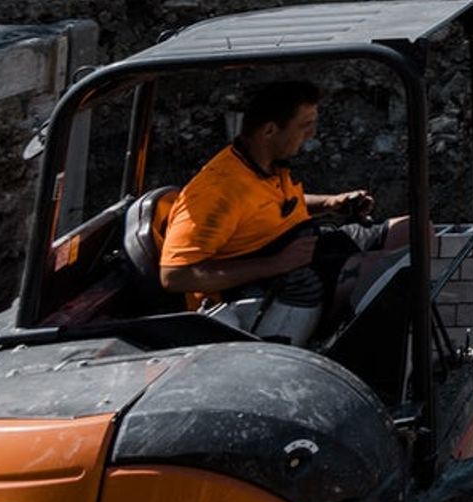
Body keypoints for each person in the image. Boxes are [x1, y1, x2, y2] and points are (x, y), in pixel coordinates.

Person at [159, 79, 407, 342]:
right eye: (305, 126)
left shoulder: (268, 165)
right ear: (269, 131)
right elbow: (175, 276)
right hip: (269, 282)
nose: (312, 134)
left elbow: (271, 207)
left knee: (409, 232)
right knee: (380, 272)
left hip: (305, 246)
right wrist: (275, 264)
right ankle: (332, 344)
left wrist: (329, 204)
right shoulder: (217, 191)